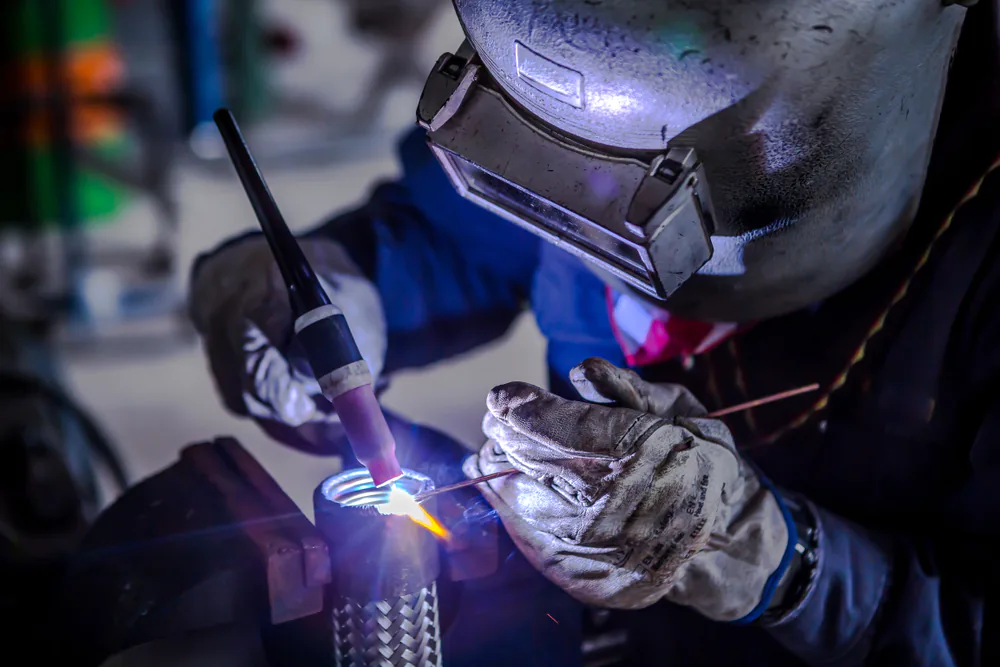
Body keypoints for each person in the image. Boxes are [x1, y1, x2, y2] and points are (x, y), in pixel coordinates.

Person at [189, 2, 1000, 665]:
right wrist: (352, 280)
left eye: (638, 205)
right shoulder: (589, 53)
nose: (583, 207)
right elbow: (467, 231)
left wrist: (777, 559)